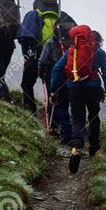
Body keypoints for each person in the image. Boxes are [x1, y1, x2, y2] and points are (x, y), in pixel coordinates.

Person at [50, 24, 106, 174]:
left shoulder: (72, 51)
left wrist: (54, 91)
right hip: (93, 88)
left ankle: (76, 148)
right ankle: (95, 149)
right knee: (93, 117)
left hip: (74, 87)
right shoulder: (99, 52)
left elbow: (57, 69)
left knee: (78, 119)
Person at [17, 0, 60, 114]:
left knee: (26, 84)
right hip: (55, 60)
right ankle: (54, 118)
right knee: (52, 89)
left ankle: (29, 109)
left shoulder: (33, 15)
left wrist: (27, 57)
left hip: (35, 56)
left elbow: (24, 38)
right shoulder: (60, 18)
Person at [38, 12, 77, 149]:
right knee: (71, 104)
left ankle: (57, 129)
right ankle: (75, 133)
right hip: (73, 76)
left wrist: (41, 72)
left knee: (56, 101)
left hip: (56, 74)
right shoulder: (74, 43)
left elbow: (43, 60)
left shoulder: (52, 42)